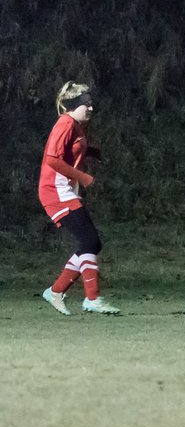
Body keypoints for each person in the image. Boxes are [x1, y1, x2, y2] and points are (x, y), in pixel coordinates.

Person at [39, 82, 120, 315]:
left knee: (91, 242)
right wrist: (83, 177)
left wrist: (93, 152)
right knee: (90, 241)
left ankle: (56, 291)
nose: (91, 108)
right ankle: (91, 298)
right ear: (75, 105)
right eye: (87, 104)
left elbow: (70, 150)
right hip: (55, 191)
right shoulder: (65, 123)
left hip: (64, 190)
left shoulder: (75, 125)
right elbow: (52, 159)